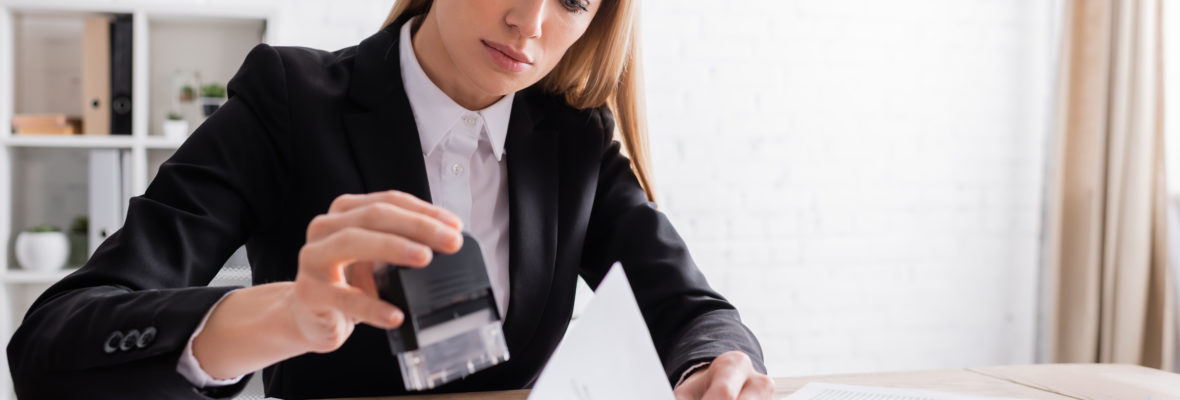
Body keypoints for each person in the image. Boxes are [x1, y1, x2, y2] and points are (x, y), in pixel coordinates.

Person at [7, 0, 774, 399]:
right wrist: (282, 316)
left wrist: (719, 363)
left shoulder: (573, 137)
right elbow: (50, 347)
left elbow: (691, 310)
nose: (530, 23)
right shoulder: (288, 100)